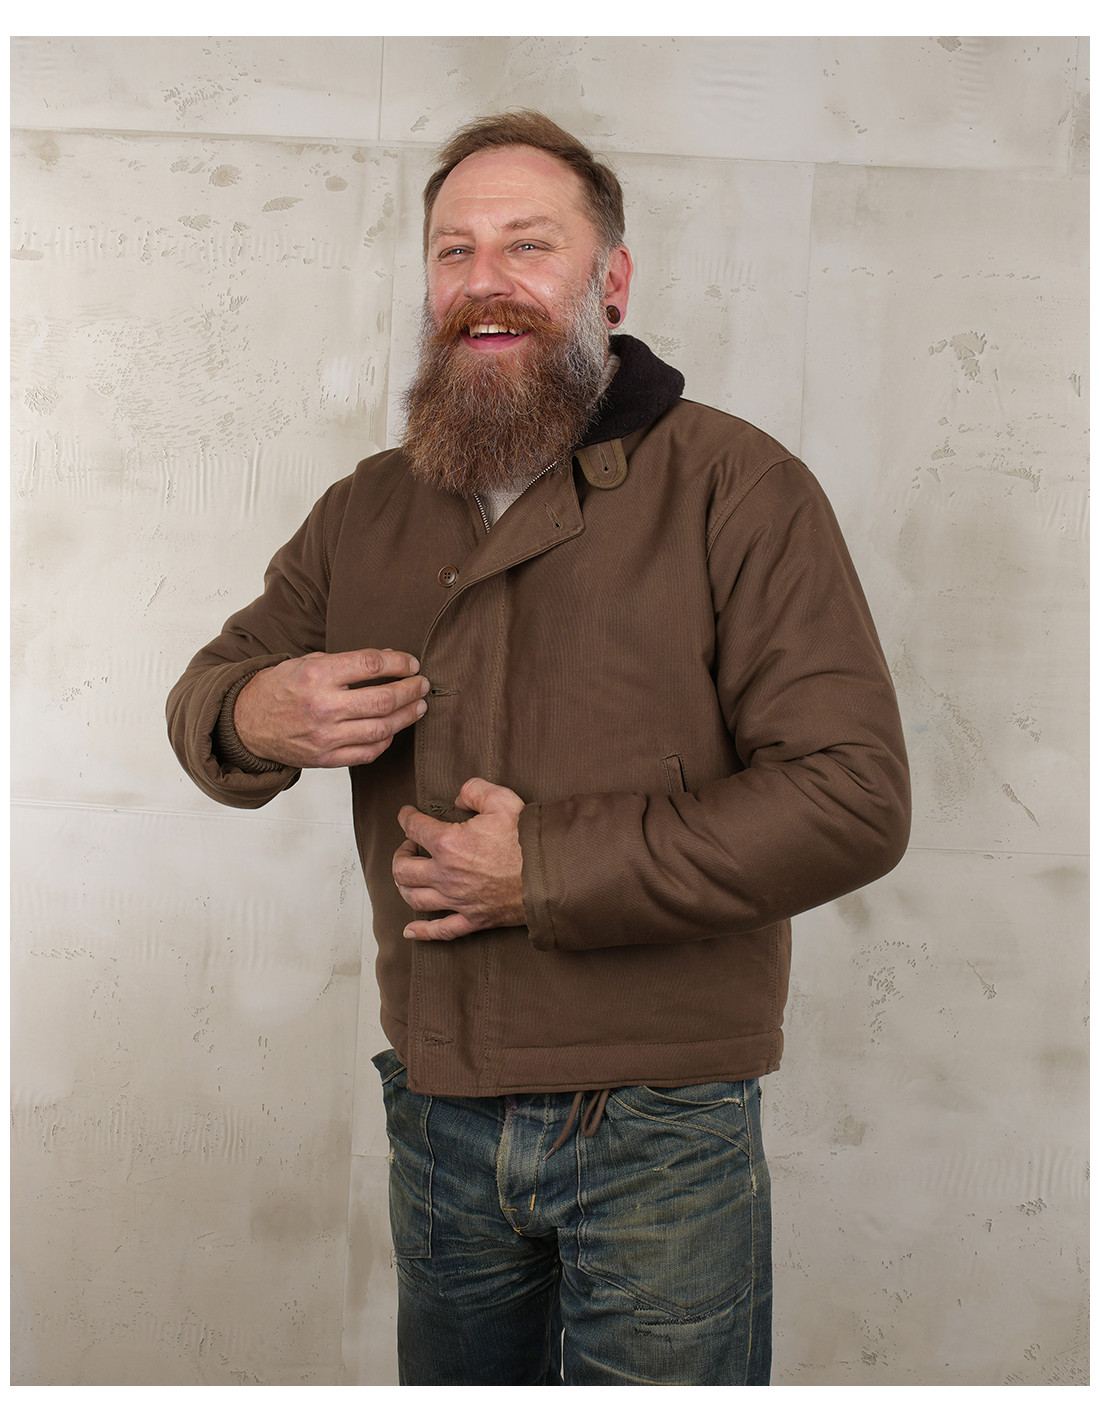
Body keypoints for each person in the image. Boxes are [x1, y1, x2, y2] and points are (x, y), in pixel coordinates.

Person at [167, 109, 910, 1386]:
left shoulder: (737, 486)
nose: (484, 281)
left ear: (608, 282)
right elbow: (211, 691)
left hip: (658, 1121)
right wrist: (250, 715)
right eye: (453, 252)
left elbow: (850, 799)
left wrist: (543, 870)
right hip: (436, 1107)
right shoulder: (368, 503)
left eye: (527, 244)